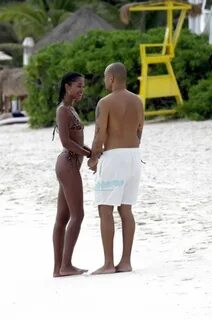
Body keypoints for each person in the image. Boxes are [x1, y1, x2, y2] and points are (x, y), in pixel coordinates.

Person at [87, 62, 144, 275]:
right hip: (134, 156)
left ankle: (109, 263)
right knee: (126, 209)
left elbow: (100, 134)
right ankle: (126, 262)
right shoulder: (138, 101)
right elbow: (139, 131)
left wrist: (93, 159)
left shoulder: (105, 102)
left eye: (105, 78)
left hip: (114, 158)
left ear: (111, 78)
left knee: (105, 208)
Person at [52, 72, 91, 277]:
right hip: (68, 164)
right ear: (67, 87)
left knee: (63, 216)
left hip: (68, 164)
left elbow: (76, 140)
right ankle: (65, 265)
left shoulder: (71, 109)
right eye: (78, 86)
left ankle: (59, 268)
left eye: (83, 87)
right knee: (78, 215)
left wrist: (90, 151)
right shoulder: (63, 110)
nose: (81, 90)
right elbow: (66, 142)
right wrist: (88, 154)